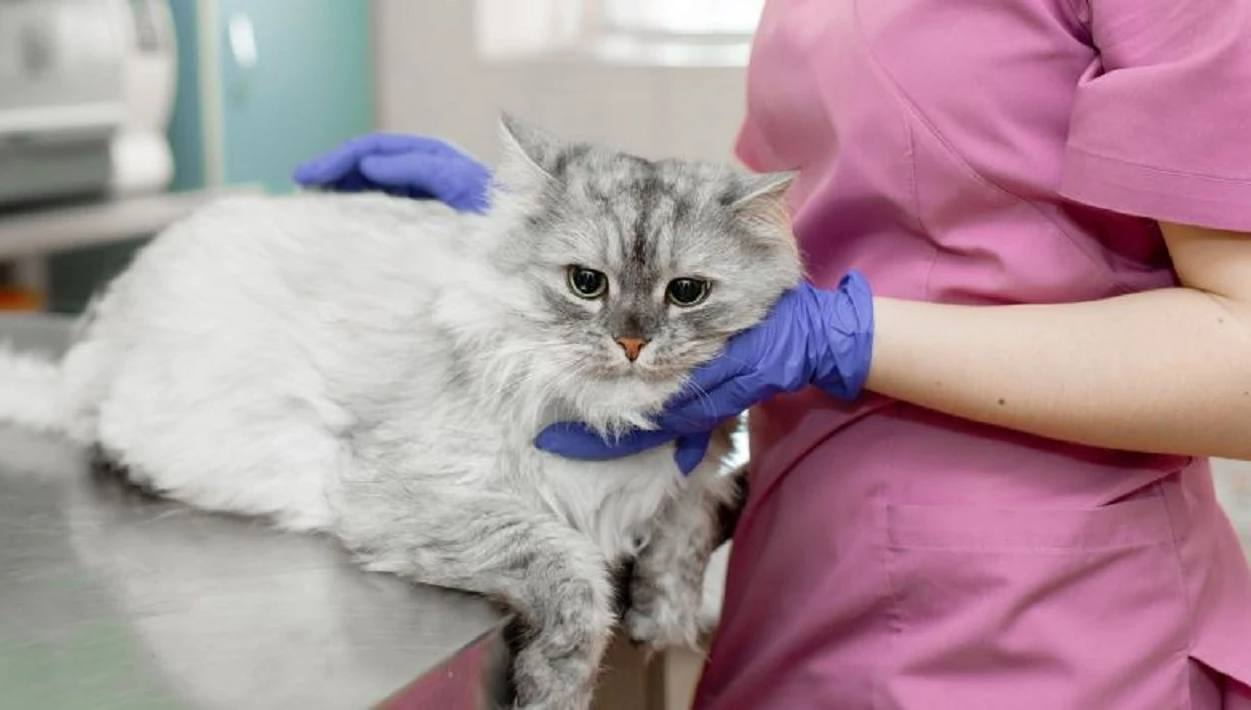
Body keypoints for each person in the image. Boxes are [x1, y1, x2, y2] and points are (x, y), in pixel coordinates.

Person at [293, 0, 1251, 706]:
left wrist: (847, 337)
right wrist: (550, 232)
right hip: (804, 562)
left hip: (1044, 622)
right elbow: (809, 214)